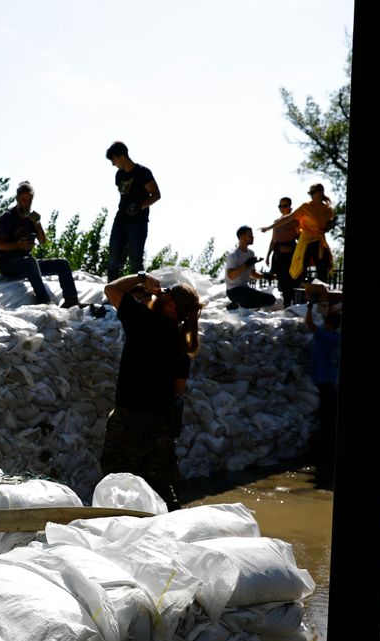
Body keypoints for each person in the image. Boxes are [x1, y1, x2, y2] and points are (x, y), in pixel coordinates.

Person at [101, 270, 203, 511]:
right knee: (160, 485)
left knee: (117, 484)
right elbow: (178, 390)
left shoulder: (143, 322)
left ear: (168, 303)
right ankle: (171, 532)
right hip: (160, 426)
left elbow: (111, 289)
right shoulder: (181, 342)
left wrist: (141, 278)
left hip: (127, 423)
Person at [0, 181, 80, 308]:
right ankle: (44, 300)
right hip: (9, 265)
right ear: (17, 199)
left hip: (28, 264)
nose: (26, 203)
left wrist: (37, 223)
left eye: (29, 200)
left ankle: (71, 301)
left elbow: (43, 241)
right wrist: (19, 245)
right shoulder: (7, 217)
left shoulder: (32, 218)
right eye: (23, 200)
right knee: (30, 261)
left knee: (62, 263)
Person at [104, 142, 160, 282]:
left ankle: (139, 292)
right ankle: (112, 291)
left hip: (138, 222)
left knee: (135, 259)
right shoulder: (119, 175)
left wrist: (140, 206)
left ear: (122, 157)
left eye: (114, 160)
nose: (113, 164)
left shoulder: (143, 173)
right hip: (121, 220)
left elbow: (156, 194)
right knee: (113, 256)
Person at [303, 283, 341, 484]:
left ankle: (326, 448)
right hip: (329, 378)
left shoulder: (324, 335)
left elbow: (308, 324)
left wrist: (310, 306)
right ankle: (328, 447)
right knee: (329, 413)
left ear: (327, 323)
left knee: (327, 415)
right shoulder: (335, 336)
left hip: (323, 379)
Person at [286, 183, 336, 283]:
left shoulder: (328, 209)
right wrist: (270, 227)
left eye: (314, 192)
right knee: (301, 266)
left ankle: (321, 289)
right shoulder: (306, 207)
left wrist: (331, 224)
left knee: (323, 266)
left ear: (321, 192)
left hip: (319, 240)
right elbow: (289, 218)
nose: (312, 195)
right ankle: (301, 290)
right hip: (306, 241)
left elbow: (326, 228)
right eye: (311, 193)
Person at [260, 197, 300, 306]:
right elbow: (273, 240)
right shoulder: (276, 222)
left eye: (285, 205)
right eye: (280, 206)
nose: (282, 208)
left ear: (290, 206)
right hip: (279, 256)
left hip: (291, 255)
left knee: (291, 281)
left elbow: (299, 237)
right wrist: (268, 255)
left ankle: (290, 304)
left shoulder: (295, 220)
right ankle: (286, 305)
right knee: (282, 281)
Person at [225, 226, 276, 309]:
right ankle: (237, 305)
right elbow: (231, 276)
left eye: (252, 235)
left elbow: (252, 274)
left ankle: (238, 305)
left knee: (271, 300)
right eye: (250, 236)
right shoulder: (233, 255)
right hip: (233, 291)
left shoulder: (250, 253)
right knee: (251, 297)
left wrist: (265, 276)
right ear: (241, 237)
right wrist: (247, 264)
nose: (253, 237)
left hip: (245, 289)